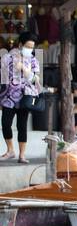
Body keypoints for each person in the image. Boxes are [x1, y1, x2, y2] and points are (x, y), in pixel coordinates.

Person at [1, 33, 42, 163]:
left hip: (25, 98)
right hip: (8, 97)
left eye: (32, 47)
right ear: (20, 45)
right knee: (6, 124)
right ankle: (10, 150)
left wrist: (24, 68)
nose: (30, 49)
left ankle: (22, 155)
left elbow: (37, 80)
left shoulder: (34, 60)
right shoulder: (7, 57)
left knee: (22, 126)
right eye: (27, 46)